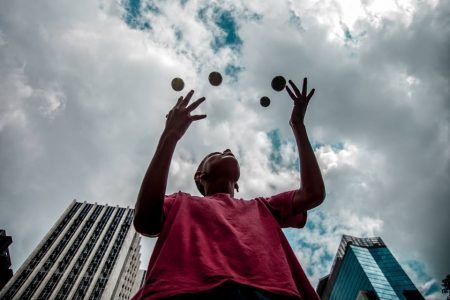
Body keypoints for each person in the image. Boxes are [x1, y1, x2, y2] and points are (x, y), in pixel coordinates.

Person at [132, 78, 325, 300]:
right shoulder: (179, 202)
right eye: (215, 154)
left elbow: (313, 193)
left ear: (238, 183)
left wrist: (298, 126)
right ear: (200, 175)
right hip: (183, 292)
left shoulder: (262, 206)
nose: (227, 148)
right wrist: (170, 137)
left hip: (271, 294)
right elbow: (145, 220)